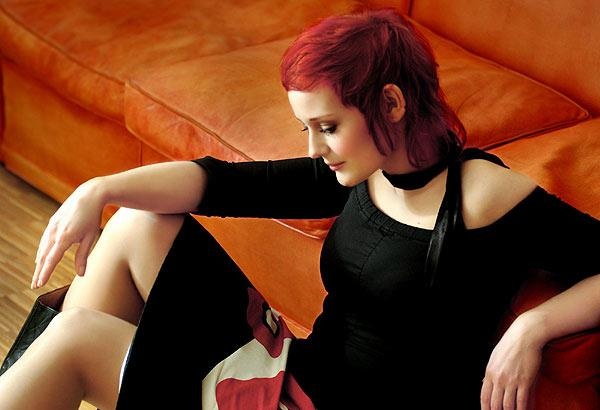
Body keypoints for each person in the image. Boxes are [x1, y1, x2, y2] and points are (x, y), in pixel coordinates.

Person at [0, 7, 599, 410]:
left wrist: (533, 327)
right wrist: (98, 190)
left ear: (391, 103)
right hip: (296, 371)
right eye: (307, 128)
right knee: (136, 220)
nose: (315, 148)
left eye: (328, 126)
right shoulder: (364, 170)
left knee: (78, 338)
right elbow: (221, 184)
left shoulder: (480, 195)